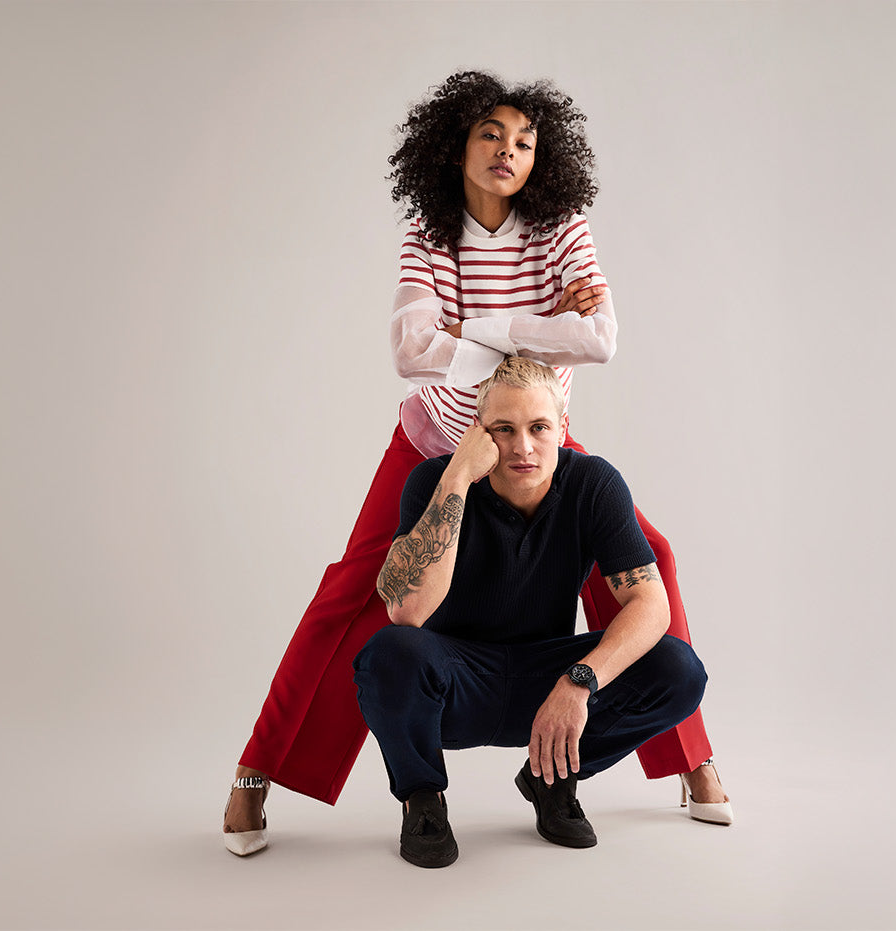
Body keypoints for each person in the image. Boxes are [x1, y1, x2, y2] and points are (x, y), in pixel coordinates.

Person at [222, 71, 730, 858]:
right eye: (491, 134)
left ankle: (691, 758)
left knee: (648, 564)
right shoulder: (430, 234)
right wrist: (543, 323)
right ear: (455, 144)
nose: (508, 151)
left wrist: (472, 328)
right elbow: (410, 351)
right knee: (353, 590)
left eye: (525, 141)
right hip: (440, 440)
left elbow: (598, 340)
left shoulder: (561, 227)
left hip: (534, 436)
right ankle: (257, 770)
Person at [354, 357, 706, 868]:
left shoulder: (593, 483)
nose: (522, 447)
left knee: (677, 668)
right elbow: (405, 609)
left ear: (562, 429)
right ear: (479, 433)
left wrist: (580, 681)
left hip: (546, 683)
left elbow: (651, 605)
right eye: (504, 429)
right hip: (456, 685)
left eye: (538, 427)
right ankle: (422, 799)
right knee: (389, 652)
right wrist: (458, 475)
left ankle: (552, 778)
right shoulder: (435, 480)